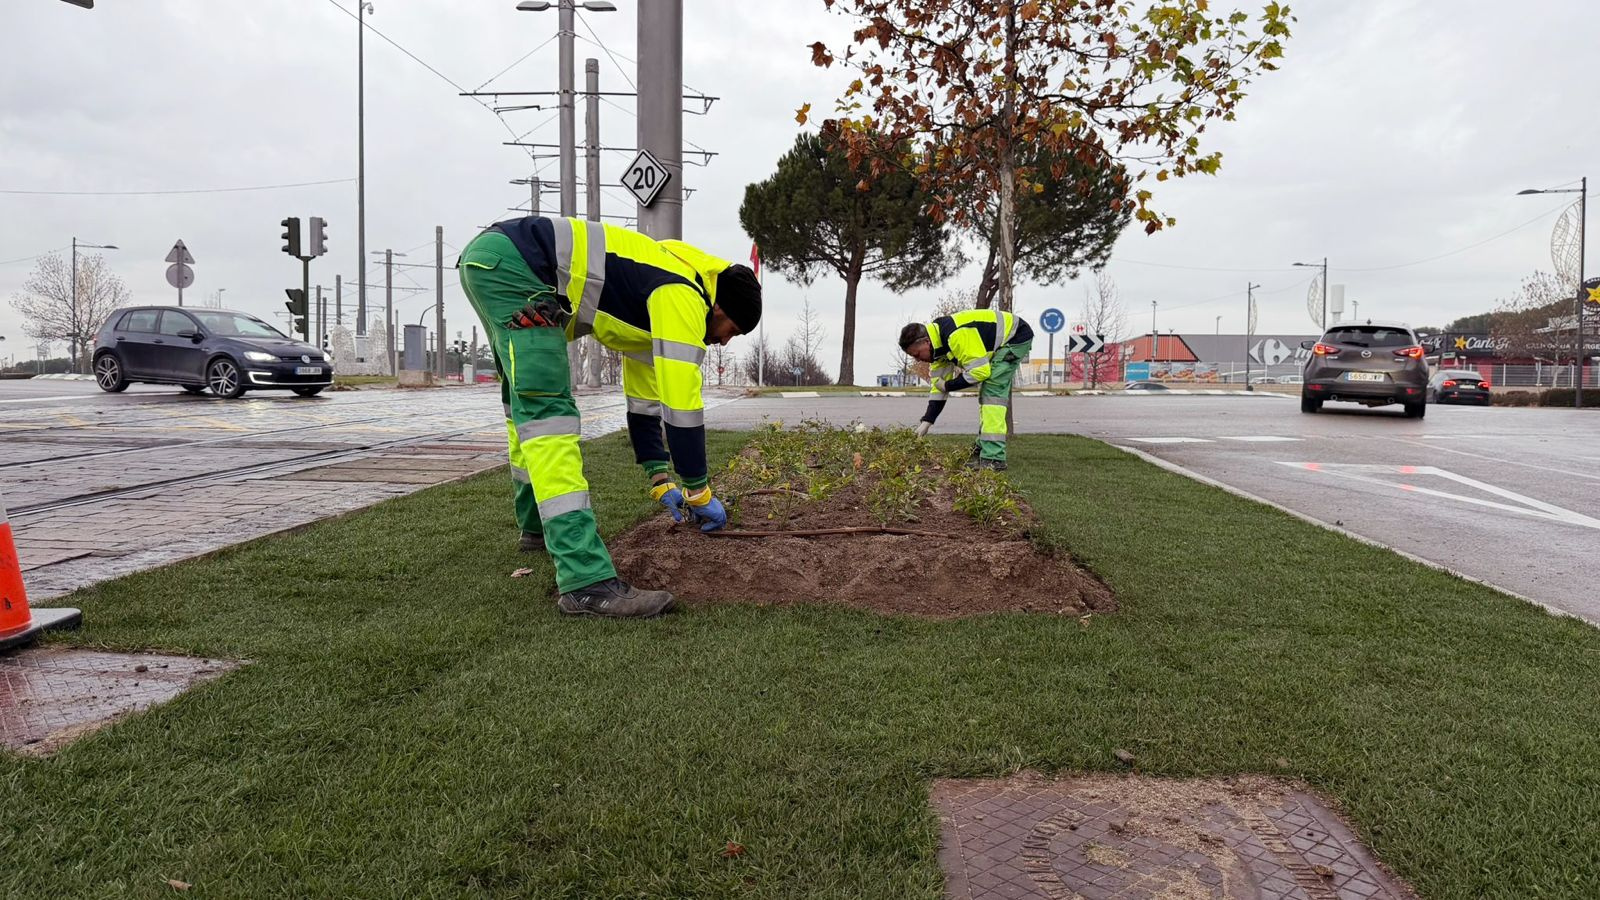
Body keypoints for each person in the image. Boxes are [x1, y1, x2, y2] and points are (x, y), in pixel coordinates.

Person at [458, 215, 761, 618]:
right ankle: (586, 583)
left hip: (495, 261)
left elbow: (645, 402)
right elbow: (682, 408)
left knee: (523, 410)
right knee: (550, 417)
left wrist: (659, 479)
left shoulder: (660, 290)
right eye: (731, 329)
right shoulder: (683, 297)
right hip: (520, 268)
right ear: (718, 307)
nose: (723, 341)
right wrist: (698, 491)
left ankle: (535, 529)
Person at [898, 308, 1034, 470]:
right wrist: (926, 422)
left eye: (917, 354)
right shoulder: (939, 351)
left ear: (926, 342)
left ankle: (994, 458)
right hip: (1004, 341)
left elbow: (980, 372)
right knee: (987, 394)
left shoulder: (955, 336)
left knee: (992, 393)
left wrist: (949, 385)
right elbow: (938, 388)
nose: (919, 360)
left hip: (1015, 336)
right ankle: (983, 447)